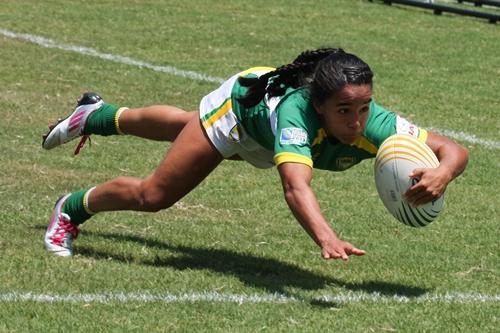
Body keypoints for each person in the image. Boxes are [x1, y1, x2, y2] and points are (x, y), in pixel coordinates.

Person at [42, 48, 469, 258]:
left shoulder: (372, 121)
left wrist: (444, 172)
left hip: (262, 119)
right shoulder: (296, 117)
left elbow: (452, 149)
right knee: (153, 196)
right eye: (344, 111)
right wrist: (327, 237)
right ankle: (71, 209)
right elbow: (295, 187)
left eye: (363, 108)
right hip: (241, 113)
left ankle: (96, 115)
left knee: (181, 126)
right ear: (319, 105)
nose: (357, 121)